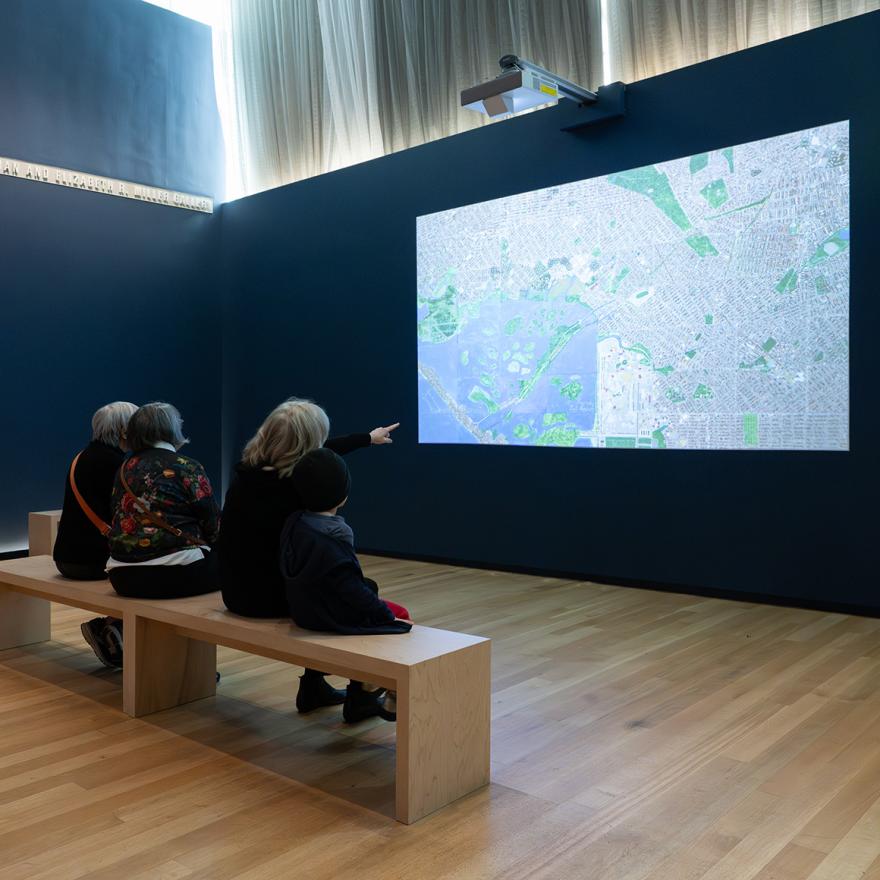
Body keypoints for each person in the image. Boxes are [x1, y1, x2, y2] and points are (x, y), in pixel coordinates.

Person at [218, 397, 398, 713]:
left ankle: (315, 687)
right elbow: (320, 459)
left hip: (235, 593)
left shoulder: (246, 475)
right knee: (362, 591)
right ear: (307, 448)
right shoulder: (297, 490)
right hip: (268, 600)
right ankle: (363, 696)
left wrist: (366, 438)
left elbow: (321, 452)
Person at [280, 448, 412, 723]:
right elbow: (351, 589)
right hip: (327, 617)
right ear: (344, 495)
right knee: (398, 615)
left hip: (304, 608)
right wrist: (386, 616)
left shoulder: (294, 523)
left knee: (369, 585)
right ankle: (362, 698)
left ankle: (314, 687)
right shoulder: (334, 537)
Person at [54, 401, 138, 668]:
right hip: (92, 561)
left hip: (67, 556)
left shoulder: (83, 456)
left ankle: (112, 630)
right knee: (154, 573)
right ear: (125, 431)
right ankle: (111, 628)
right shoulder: (117, 465)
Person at [106, 402, 221, 599]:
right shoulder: (186, 466)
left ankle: (115, 625)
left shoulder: (124, 469)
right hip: (175, 573)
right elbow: (213, 524)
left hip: (121, 575)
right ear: (173, 429)